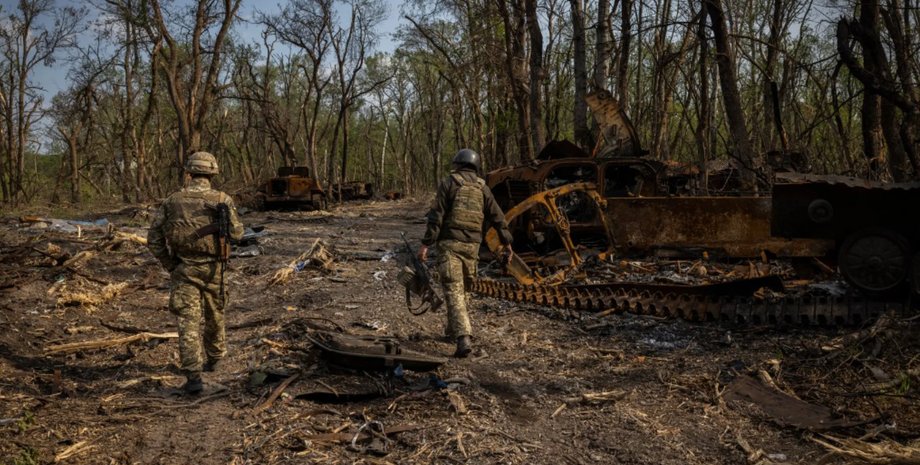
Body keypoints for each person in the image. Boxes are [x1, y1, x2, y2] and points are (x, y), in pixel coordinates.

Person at [147, 151, 244, 394]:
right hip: (214, 269)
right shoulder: (222, 199)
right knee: (215, 314)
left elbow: (153, 238)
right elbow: (238, 234)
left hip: (184, 268)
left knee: (187, 322)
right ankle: (215, 357)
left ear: (189, 172)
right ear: (212, 173)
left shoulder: (172, 201)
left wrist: (170, 264)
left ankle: (193, 377)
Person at [419, 148, 513, 358]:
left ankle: (463, 338)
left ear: (458, 164)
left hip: (450, 245)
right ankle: (453, 331)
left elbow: (436, 216)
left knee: (454, 290)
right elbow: (498, 217)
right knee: (464, 291)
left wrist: (425, 244)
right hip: (472, 247)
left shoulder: (449, 183)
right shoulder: (482, 188)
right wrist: (507, 242)